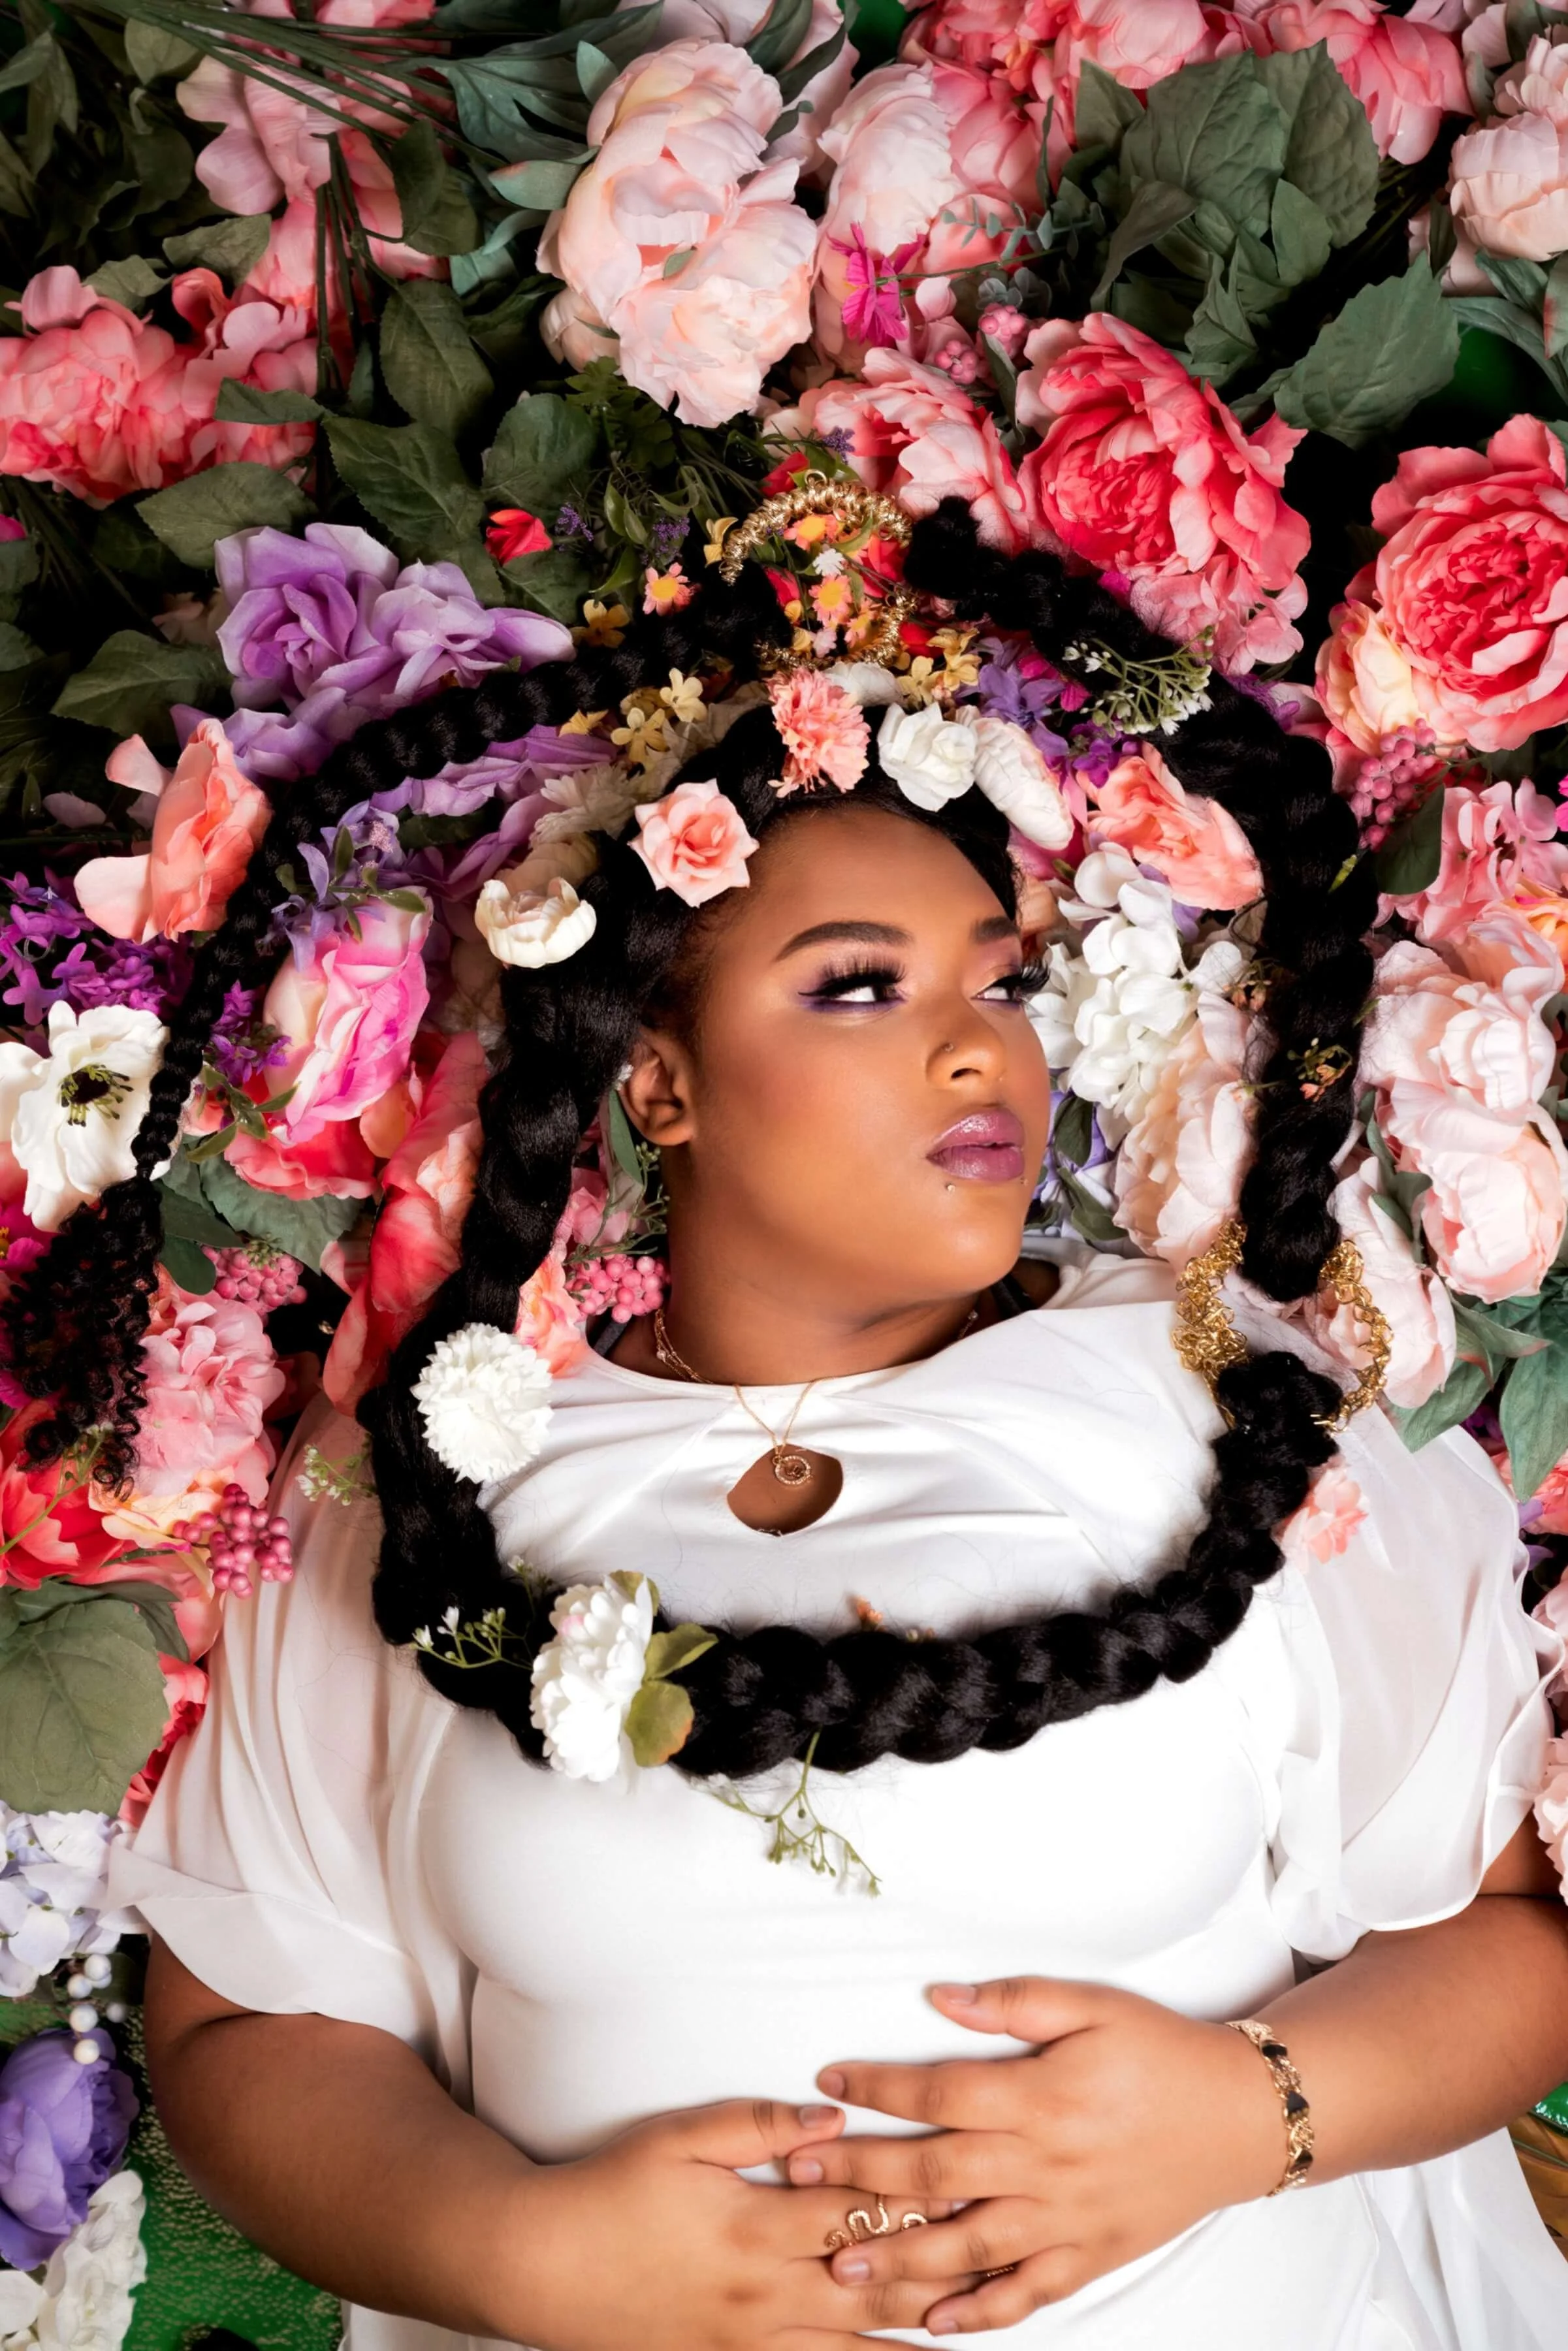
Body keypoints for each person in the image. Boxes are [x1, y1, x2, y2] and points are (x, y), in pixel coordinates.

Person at [18, 492, 1566, 2348]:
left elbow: (1510, 1950)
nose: (979, 1043)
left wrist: (1252, 2114)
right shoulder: (431, 1465)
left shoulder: (1215, 1390)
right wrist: (519, 2255)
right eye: (859, 986)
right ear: (658, 1082)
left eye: (998, 979)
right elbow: (249, 2018)